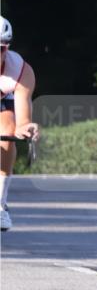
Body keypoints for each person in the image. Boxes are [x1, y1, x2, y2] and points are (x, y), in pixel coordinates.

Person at [0, 16, 40, 232]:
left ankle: (0, 204)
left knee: (8, 130)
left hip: (4, 99)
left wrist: (25, 127)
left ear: (7, 48)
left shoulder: (21, 71)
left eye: (0, 49)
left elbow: (22, 117)